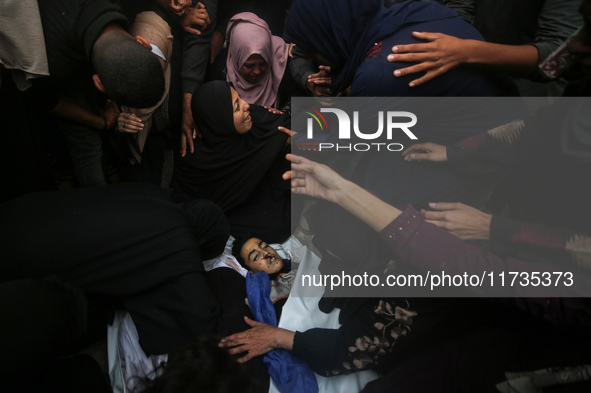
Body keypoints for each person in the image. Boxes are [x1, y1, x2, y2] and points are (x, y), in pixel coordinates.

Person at [0, 183, 229, 383]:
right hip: (33, 266)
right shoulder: (181, 245)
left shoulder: (156, 195)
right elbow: (198, 319)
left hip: (23, 213)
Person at [283, 0, 517, 97]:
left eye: (314, 51)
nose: (315, 59)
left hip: (487, 159)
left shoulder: (376, 75)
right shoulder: (423, 9)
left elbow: (348, 143)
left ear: (332, 36)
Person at [172, 80, 293, 243]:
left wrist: (289, 141)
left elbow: (286, 128)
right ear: (219, 122)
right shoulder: (196, 159)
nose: (246, 105)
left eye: (241, 98)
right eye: (237, 107)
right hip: (238, 209)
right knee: (272, 229)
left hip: (265, 186)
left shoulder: (254, 118)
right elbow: (192, 205)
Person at [389, 0, 582, 96]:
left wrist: (468, 51)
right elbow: (459, 11)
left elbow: (558, 59)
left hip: (524, 100)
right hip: (457, 77)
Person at [222, 12, 291, 108]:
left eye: (263, 64)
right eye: (249, 66)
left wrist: (282, 117)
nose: (257, 72)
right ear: (236, 58)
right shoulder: (220, 74)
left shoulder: (283, 62)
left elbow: (308, 109)